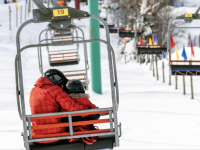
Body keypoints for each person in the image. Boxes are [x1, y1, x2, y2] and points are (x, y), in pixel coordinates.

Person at [29, 69, 99, 145]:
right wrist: (88, 112)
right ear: (57, 80)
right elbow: (70, 105)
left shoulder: (33, 91)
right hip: (56, 136)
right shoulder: (55, 89)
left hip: (37, 137)